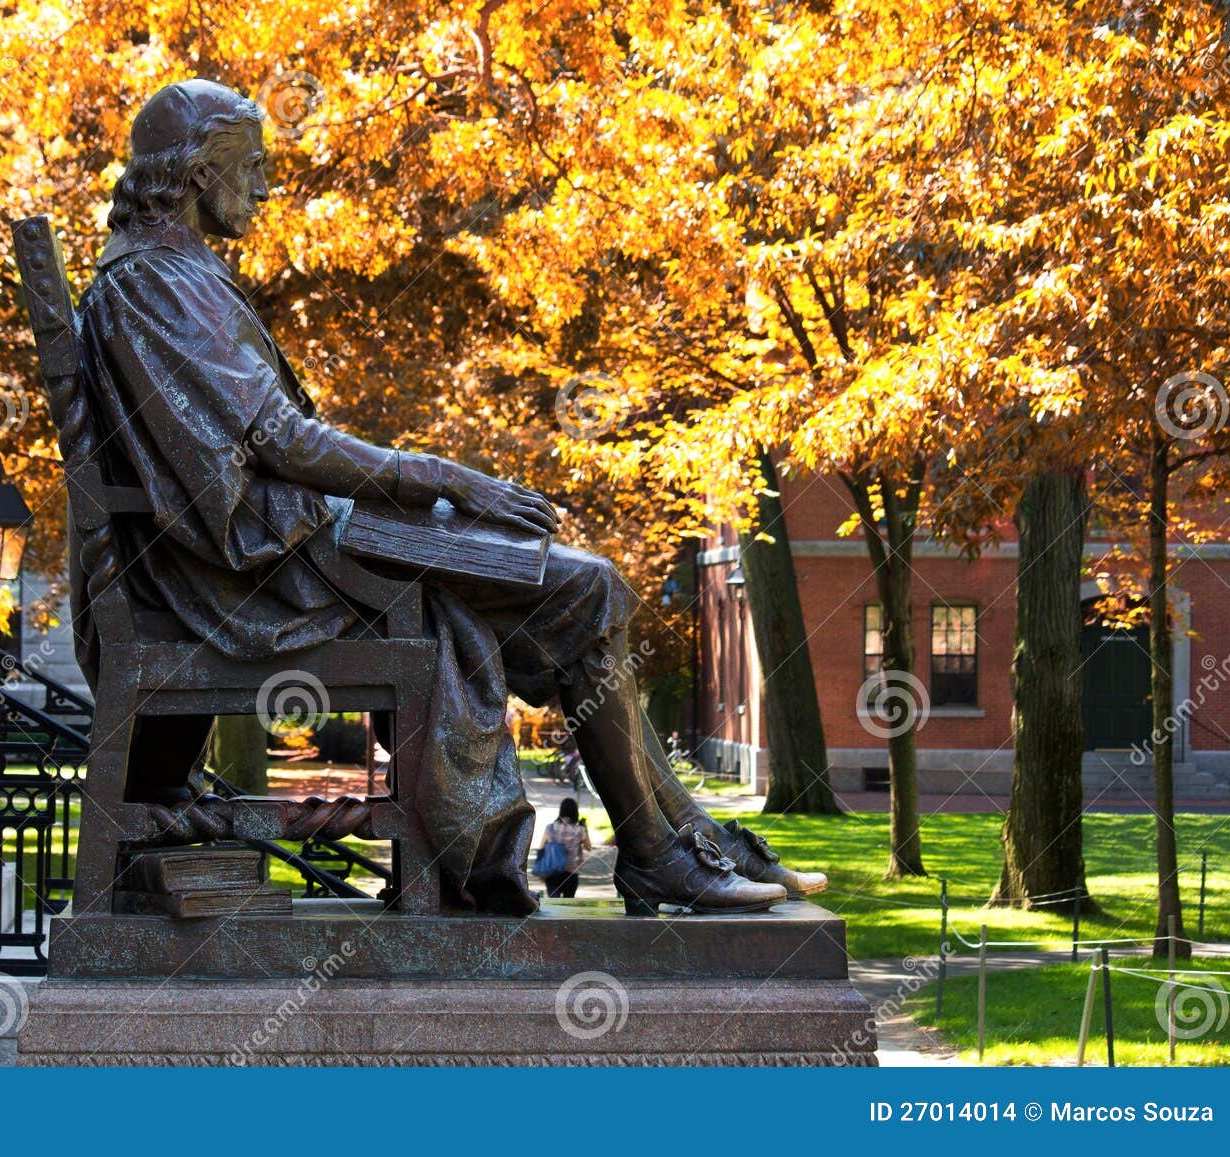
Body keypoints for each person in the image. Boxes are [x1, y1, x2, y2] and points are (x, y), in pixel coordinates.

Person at [75, 79, 829, 916]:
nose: (264, 187)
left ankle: (679, 843)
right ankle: (662, 850)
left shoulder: (168, 276)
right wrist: (447, 479)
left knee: (584, 594)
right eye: (250, 166)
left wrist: (436, 494)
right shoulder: (158, 283)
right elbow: (278, 440)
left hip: (287, 554)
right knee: (587, 586)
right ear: (192, 173)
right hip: (263, 576)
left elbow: (265, 442)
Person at [537, 798, 592, 898]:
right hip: (571, 874)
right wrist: (585, 828)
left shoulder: (550, 827)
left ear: (561, 811)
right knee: (568, 905)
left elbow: (541, 848)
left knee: (554, 905)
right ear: (575, 812)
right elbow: (588, 847)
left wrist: (540, 871)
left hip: (552, 872)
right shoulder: (579, 830)